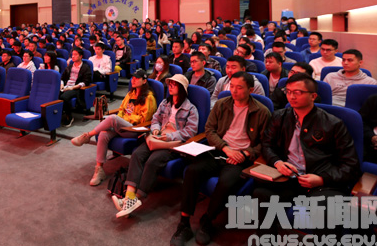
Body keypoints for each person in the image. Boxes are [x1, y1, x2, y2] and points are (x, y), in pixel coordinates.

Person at [252, 73, 362, 236]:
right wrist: (277, 162)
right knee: (261, 194)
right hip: (289, 177)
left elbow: (350, 166)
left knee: (325, 210)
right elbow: (267, 145)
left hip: (322, 181)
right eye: (288, 91)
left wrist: (322, 179)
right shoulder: (280, 117)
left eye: (297, 92)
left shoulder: (333, 124)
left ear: (313, 96)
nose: (291, 96)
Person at [171, 72, 271, 246]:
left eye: (239, 87)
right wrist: (226, 148)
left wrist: (245, 154)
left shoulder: (262, 112)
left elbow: (264, 143)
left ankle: (208, 220)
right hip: (220, 150)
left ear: (250, 89)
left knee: (226, 182)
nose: (234, 91)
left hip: (241, 157)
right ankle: (184, 223)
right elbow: (210, 130)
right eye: (232, 86)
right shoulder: (222, 104)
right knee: (192, 171)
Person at [112, 74, 198, 218]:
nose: (170, 86)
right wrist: (156, 129)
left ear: (182, 88)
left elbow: (190, 131)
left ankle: (136, 199)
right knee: (137, 154)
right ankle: (128, 197)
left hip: (172, 143)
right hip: (158, 138)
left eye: (174, 84)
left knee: (153, 161)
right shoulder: (165, 103)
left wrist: (169, 136)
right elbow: (155, 119)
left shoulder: (190, 109)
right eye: (169, 84)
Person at [70, 69, 157, 186]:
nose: (133, 80)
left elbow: (144, 119)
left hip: (135, 129)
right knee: (103, 133)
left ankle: (87, 136)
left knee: (112, 118)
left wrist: (124, 119)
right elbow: (121, 110)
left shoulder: (149, 97)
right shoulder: (130, 94)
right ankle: (99, 169)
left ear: (144, 81)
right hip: (123, 126)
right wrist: (121, 119)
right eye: (133, 78)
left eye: (137, 78)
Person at [59, 47, 92, 127]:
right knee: (54, 94)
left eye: (75, 55)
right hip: (66, 86)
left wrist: (72, 88)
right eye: (72, 55)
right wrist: (62, 85)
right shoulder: (69, 67)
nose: (73, 56)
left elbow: (85, 82)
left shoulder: (85, 68)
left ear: (81, 56)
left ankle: (69, 117)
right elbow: (62, 78)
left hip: (77, 88)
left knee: (64, 97)